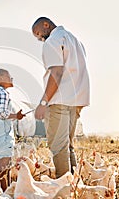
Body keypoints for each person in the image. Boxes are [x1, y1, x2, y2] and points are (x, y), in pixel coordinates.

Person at [31, 17, 90, 178]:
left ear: (46, 25)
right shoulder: (75, 41)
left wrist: (43, 102)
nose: (40, 39)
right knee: (67, 146)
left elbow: (56, 72)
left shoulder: (53, 41)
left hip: (59, 100)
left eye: (39, 34)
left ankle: (64, 188)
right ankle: (74, 183)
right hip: (76, 99)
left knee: (58, 146)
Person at [0, 68, 25, 191]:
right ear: (0, 79)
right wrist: (16, 116)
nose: (11, 78)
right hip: (3, 136)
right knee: (5, 166)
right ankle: (5, 192)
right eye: (9, 75)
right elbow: (2, 113)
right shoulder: (3, 93)